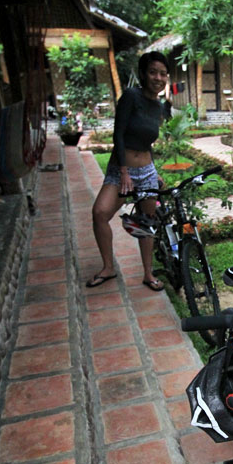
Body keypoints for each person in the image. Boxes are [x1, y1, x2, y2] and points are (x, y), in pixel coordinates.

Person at [86, 51, 171, 290]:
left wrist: (154, 172)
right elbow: (119, 135)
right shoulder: (131, 97)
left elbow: (147, 142)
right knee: (100, 212)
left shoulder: (159, 106)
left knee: (147, 221)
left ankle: (148, 273)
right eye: (153, 72)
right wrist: (123, 172)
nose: (158, 77)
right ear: (144, 74)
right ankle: (108, 268)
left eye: (163, 73)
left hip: (146, 171)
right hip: (121, 170)